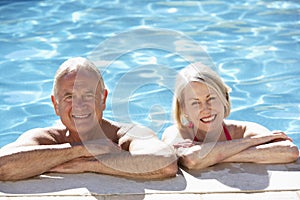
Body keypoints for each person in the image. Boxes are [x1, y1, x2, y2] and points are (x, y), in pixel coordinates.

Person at [0, 57, 177, 181]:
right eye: (69, 96)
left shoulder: (128, 134)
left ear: (103, 99)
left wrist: (91, 165)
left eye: (88, 95)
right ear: (55, 104)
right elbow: (2, 165)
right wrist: (81, 150)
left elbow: (166, 163)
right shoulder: (45, 138)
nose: (79, 105)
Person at [162, 62, 299, 170]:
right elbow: (191, 159)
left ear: (224, 98)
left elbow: (290, 151)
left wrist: (213, 156)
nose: (205, 109)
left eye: (211, 99)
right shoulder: (175, 133)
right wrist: (252, 142)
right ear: (184, 109)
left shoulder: (244, 130)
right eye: (195, 103)